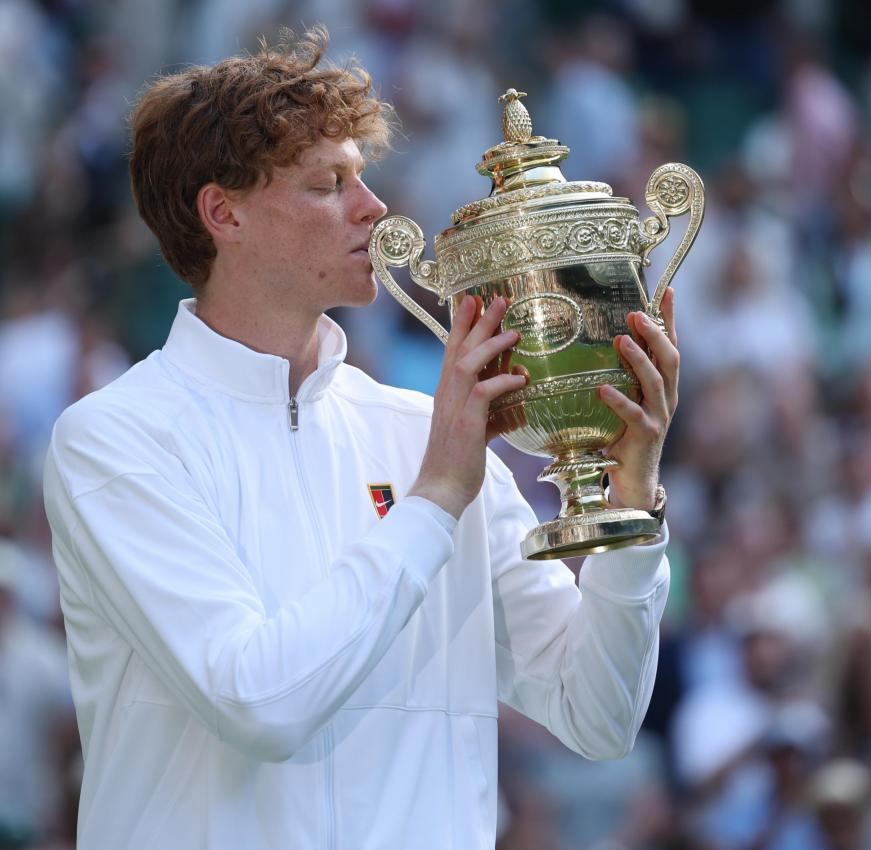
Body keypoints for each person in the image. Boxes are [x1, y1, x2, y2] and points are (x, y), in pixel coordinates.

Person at [41, 29, 678, 850]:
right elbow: (260, 704)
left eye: (363, 178)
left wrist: (629, 512)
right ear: (222, 213)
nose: (373, 209)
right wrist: (436, 498)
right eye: (327, 184)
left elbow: (598, 715)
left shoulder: (423, 432)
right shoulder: (113, 440)